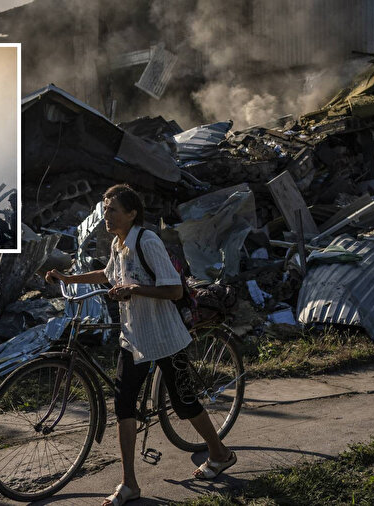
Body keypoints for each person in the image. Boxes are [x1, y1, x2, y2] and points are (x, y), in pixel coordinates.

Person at [45, 184, 236, 506]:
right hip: (133, 338)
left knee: (185, 404)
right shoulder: (118, 244)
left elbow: (174, 291)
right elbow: (108, 275)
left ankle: (220, 453)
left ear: (132, 213)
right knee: (123, 407)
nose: (106, 215)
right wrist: (69, 279)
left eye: (113, 210)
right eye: (105, 209)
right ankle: (129, 484)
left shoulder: (147, 241)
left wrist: (134, 289)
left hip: (165, 338)